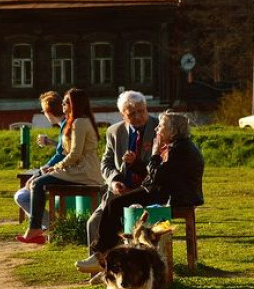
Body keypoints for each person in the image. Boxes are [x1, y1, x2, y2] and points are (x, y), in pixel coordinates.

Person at [86, 111, 204, 269]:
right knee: (114, 204)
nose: (157, 130)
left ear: (173, 131)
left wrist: (155, 152)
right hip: (165, 192)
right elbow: (157, 175)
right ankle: (105, 254)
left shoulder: (179, 150)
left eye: (161, 126)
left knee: (114, 205)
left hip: (173, 198)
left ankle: (103, 256)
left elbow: (156, 178)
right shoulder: (178, 146)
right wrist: (135, 163)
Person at [76, 90, 159, 272]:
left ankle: (115, 267)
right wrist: (113, 180)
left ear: (146, 108)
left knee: (121, 220)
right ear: (123, 115)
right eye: (132, 114)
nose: (138, 117)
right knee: (93, 223)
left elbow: (159, 168)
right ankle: (102, 270)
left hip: (145, 190)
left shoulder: (159, 128)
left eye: (141, 111)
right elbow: (105, 163)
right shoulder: (114, 132)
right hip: (118, 191)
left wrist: (136, 162)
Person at [17, 88, 104, 244]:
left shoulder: (80, 122)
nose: (62, 105)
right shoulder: (74, 121)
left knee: (38, 183)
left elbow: (75, 154)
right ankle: (36, 228)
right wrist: (52, 165)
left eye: (65, 102)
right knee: (38, 182)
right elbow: (65, 151)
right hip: (75, 169)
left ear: (74, 104)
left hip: (84, 171)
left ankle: (36, 228)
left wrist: (56, 167)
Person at [14, 91, 66, 230]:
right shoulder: (67, 124)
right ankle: (46, 226)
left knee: (22, 196)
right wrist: (51, 142)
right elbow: (66, 150)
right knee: (26, 190)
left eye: (43, 111)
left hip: (65, 172)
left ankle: (49, 226)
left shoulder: (66, 126)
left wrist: (42, 171)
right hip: (63, 170)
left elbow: (62, 154)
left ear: (49, 112)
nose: (43, 113)